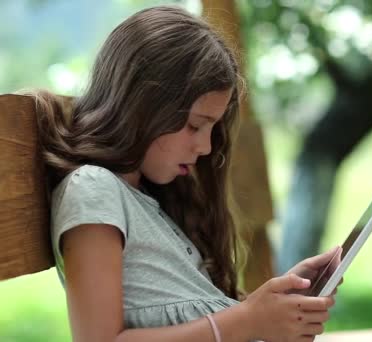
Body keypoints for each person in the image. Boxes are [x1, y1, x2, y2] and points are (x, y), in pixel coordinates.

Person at [30, 5, 340, 342]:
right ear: (144, 106)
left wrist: (272, 308)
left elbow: (191, 313)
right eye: (195, 125)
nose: (206, 147)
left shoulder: (153, 200)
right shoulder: (93, 189)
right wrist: (248, 320)